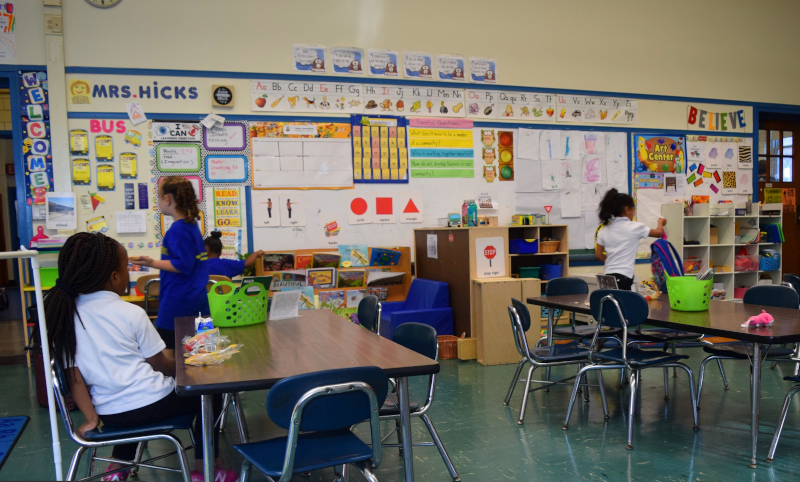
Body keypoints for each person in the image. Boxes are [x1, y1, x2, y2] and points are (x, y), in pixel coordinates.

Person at [44, 232, 234, 482]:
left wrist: (91, 418)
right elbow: (160, 364)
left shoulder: (65, 318)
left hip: (109, 414)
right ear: (114, 277)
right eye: (125, 269)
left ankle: (118, 468)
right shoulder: (130, 312)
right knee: (209, 393)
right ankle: (206, 465)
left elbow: (74, 377)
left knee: (130, 407)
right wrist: (190, 369)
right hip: (154, 404)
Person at [131, 176, 209, 354]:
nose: (158, 202)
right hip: (197, 301)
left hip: (177, 303)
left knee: (168, 357)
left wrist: (152, 263)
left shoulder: (177, 230)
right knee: (202, 357)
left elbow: (184, 265)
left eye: (159, 198)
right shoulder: (191, 226)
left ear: (167, 199)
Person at [595, 188, 665, 291]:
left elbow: (598, 254)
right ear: (627, 209)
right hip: (624, 276)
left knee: (610, 304)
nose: (633, 213)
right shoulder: (635, 227)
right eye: (633, 210)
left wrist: (612, 262)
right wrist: (661, 222)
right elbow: (659, 233)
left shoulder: (604, 230)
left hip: (607, 277)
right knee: (623, 305)